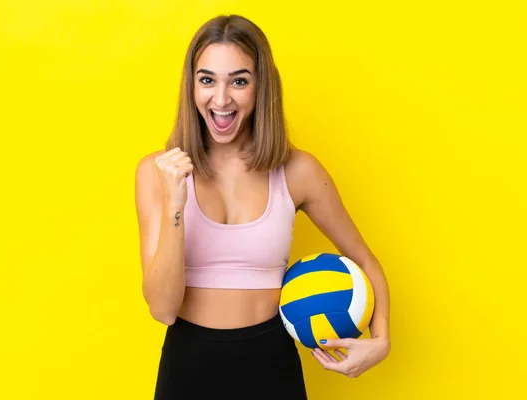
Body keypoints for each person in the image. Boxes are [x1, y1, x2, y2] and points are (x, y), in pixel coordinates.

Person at [134, 14, 391, 400]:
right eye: (207, 80)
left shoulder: (298, 171)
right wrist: (175, 202)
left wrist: (381, 340)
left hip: (272, 365)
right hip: (187, 368)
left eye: (239, 80)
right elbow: (163, 309)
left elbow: (365, 260)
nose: (221, 99)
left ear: (260, 86)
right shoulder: (158, 171)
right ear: (191, 86)